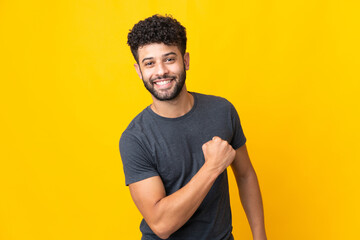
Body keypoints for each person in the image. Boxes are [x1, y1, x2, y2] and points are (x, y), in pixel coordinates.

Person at [119, 14, 267, 240]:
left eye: (169, 59)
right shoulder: (135, 138)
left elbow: (246, 175)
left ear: (185, 60)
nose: (160, 71)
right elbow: (161, 224)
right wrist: (213, 167)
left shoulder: (222, 110)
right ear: (139, 71)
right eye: (149, 63)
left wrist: (260, 237)